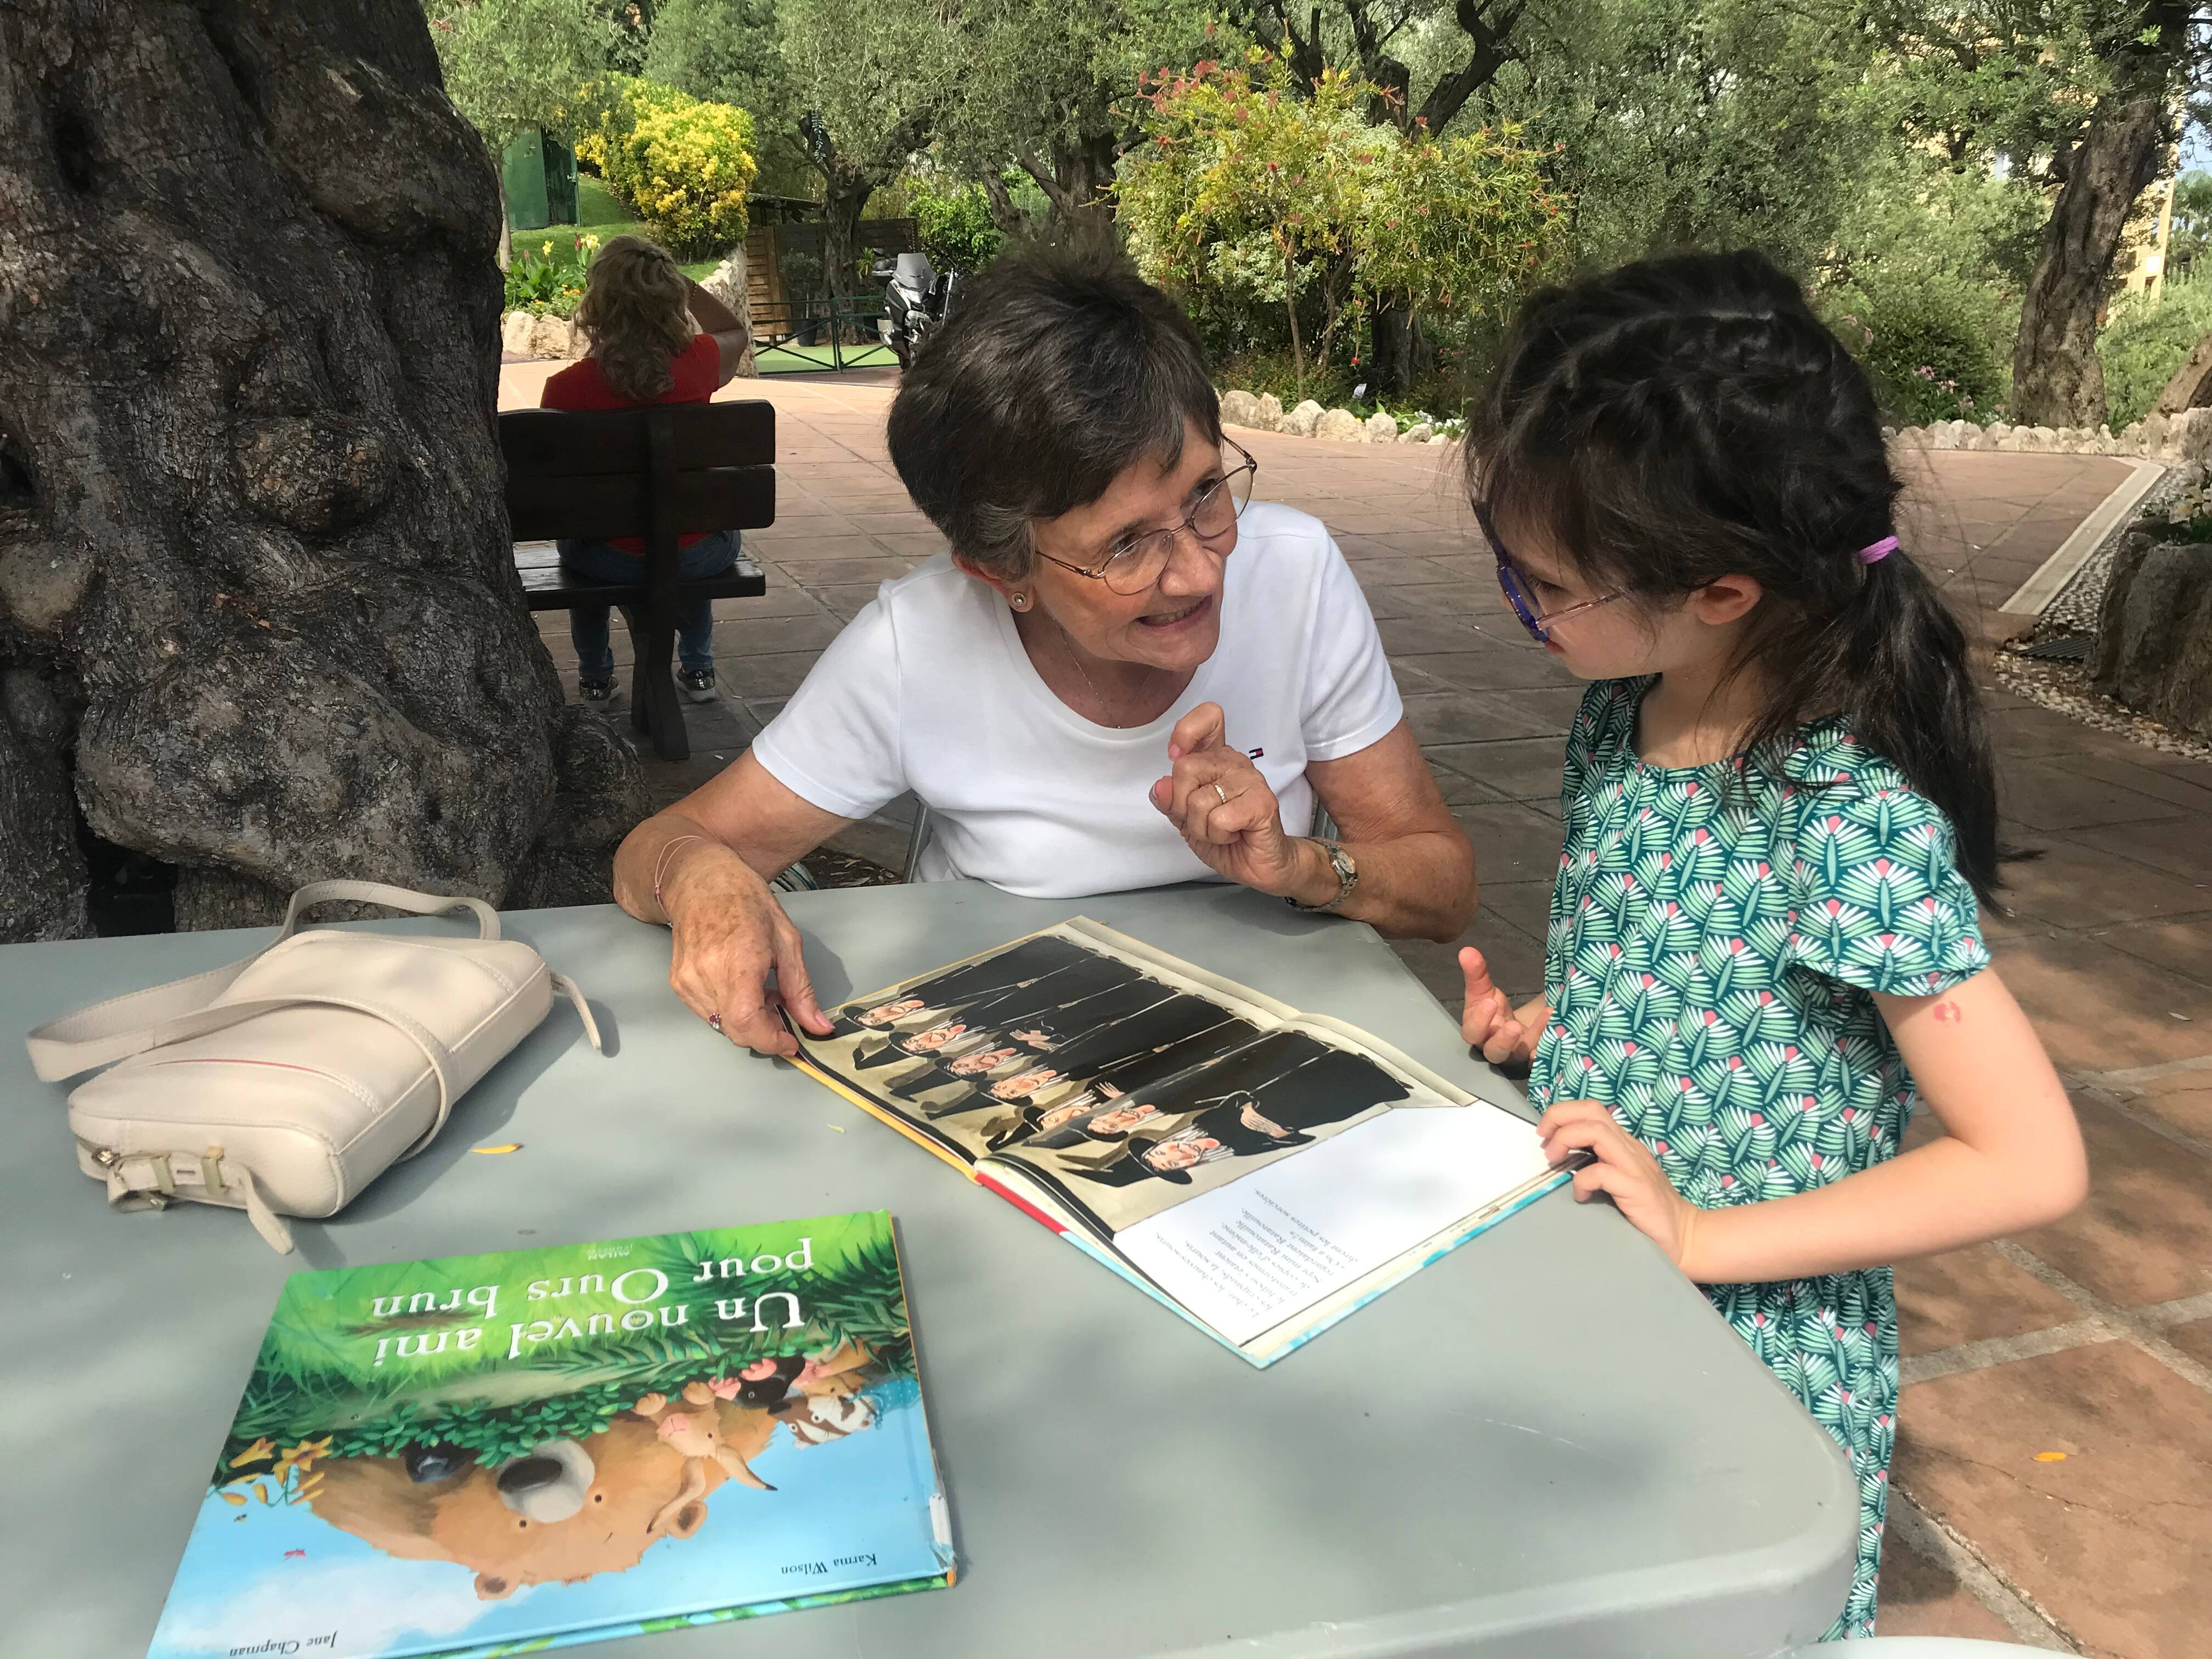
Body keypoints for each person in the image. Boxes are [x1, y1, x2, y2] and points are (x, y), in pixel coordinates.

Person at [1451, 250, 2089, 1640]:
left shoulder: (1841, 814)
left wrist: (1705, 1237)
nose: (1528, 610)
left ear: (1722, 591)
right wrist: (1565, 1019)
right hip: (1606, 1280)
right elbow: (1689, 953)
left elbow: (2030, 1157)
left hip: (1752, 1355)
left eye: (1540, 586)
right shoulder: (1623, 719)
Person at [609, 240, 1477, 1056]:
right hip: (1011, 1051)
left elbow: (1443, 888)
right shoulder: (918, 646)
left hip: (1251, 1045)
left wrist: (1304, 866)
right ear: (998, 569)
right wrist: (696, 881)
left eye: (1207, 492)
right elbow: (664, 844)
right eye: (1127, 545)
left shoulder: (1296, 574)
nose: (1199, 574)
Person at [540, 234, 753, 706]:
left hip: (606, 559)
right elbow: (737, 331)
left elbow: (562, 486)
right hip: (695, 557)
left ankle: (596, 676)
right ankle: (698, 668)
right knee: (693, 523)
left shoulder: (566, 389)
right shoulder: (701, 362)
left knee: (578, 538)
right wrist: (684, 284)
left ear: (597, 304)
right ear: (670, 298)